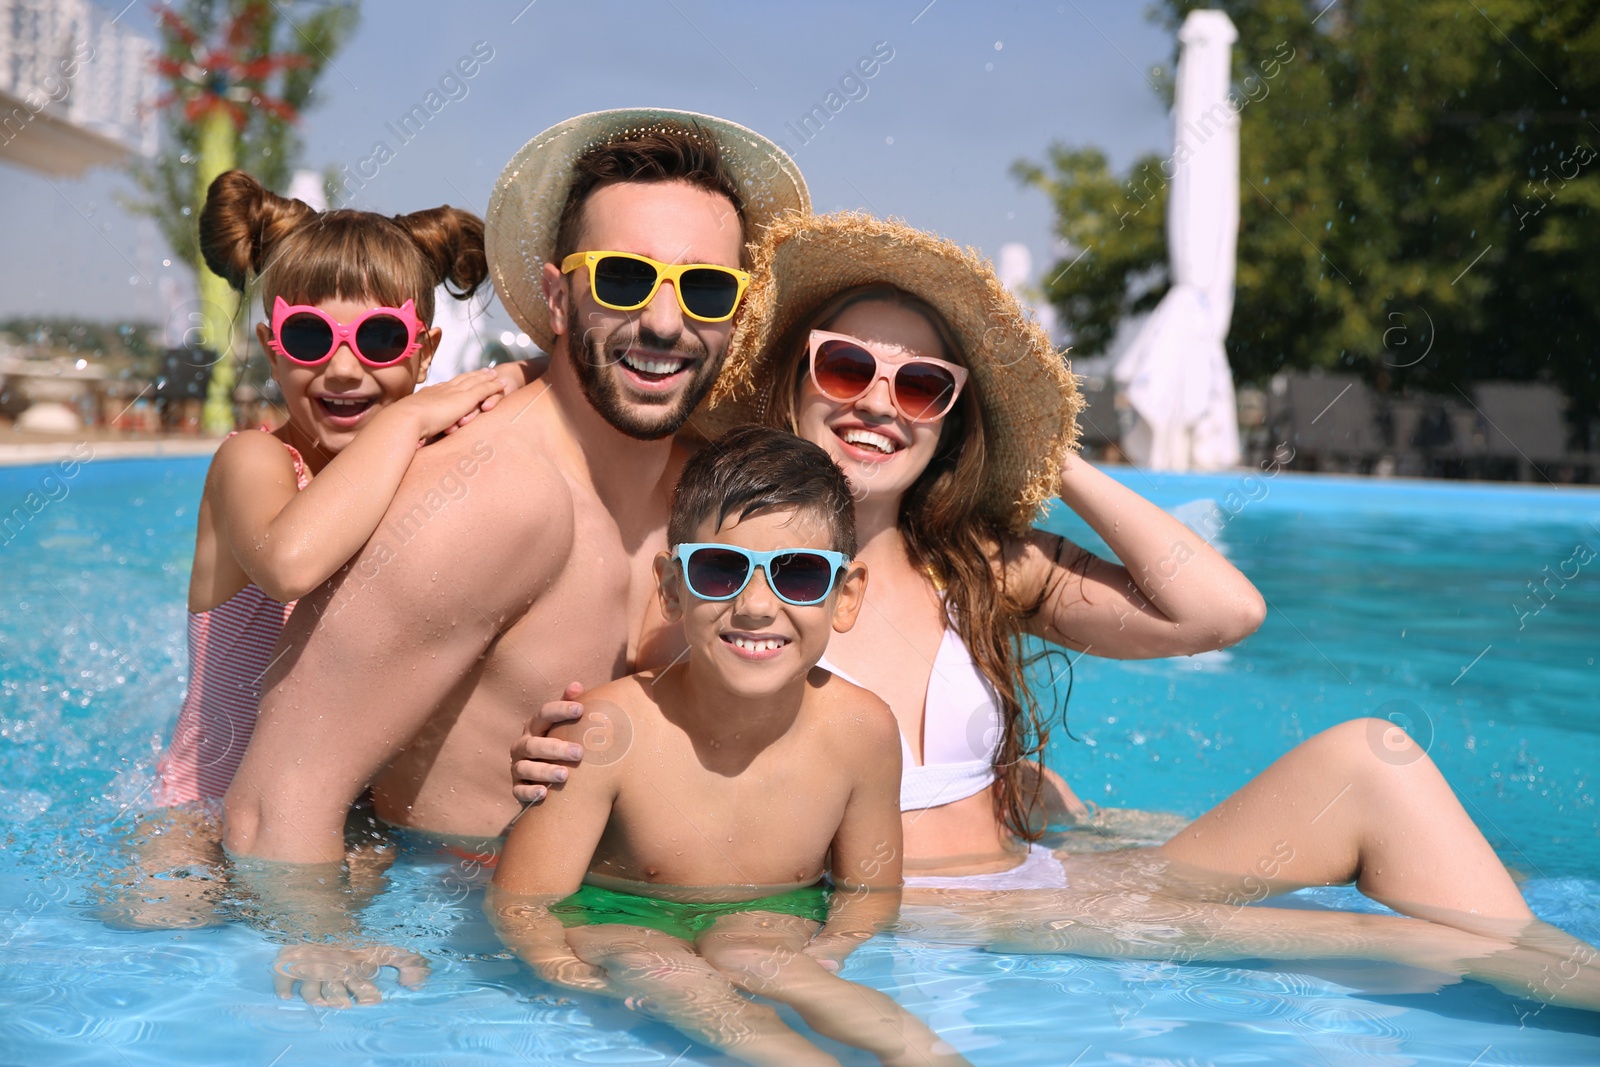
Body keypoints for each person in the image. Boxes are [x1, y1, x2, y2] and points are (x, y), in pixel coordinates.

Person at [514, 211, 1600, 1010]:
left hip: (1052, 875)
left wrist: (1055, 457)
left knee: (1375, 758)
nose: (877, 403)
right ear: (793, 380)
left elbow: (1221, 611)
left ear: (950, 415)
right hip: (951, 910)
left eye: (922, 385)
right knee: (1396, 942)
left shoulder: (980, 564)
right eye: (846, 366)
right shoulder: (719, 584)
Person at [219, 111, 808, 1005]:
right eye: (623, 279)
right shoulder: (493, 499)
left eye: (705, 292)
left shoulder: (714, 491)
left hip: (622, 910)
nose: (663, 322)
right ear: (558, 295)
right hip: (451, 937)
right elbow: (281, 795)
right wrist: (319, 943)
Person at [490, 425, 967, 1067]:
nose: (755, 607)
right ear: (671, 586)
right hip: (619, 918)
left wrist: (833, 949)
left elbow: (871, 894)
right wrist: (566, 972)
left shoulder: (862, 732)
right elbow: (524, 905)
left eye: (798, 575)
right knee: (656, 961)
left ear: (845, 596)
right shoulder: (606, 731)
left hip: (771, 921)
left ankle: (930, 1058)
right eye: (719, 568)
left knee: (758, 956)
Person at [111, 169, 508, 932]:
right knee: (160, 913)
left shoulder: (430, 480)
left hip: (336, 805)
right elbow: (292, 562)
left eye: (381, 338)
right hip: (207, 798)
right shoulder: (251, 464)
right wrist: (407, 421)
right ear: (271, 345)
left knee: (360, 908)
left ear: (424, 352)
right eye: (309, 336)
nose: (344, 367)